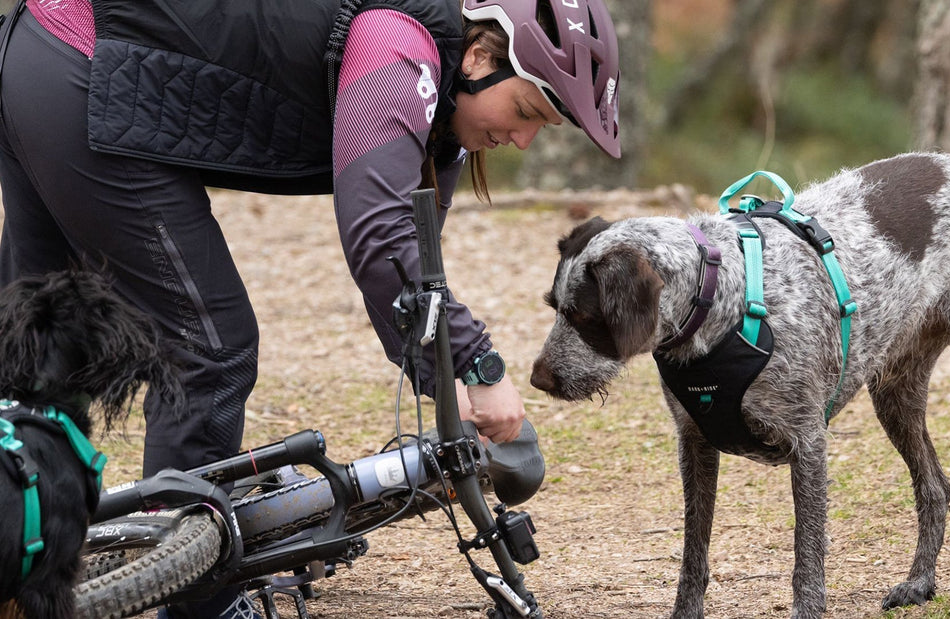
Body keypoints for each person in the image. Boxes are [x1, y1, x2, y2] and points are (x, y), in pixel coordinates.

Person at [0, 0, 620, 616]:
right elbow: (379, 239)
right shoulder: (399, 46)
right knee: (209, 349)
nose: (523, 138)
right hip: (81, 68)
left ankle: (18, 554)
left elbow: (410, 264)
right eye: (525, 111)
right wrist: (479, 366)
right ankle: (198, 603)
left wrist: (444, 377)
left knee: (40, 345)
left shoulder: (442, 103)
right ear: (482, 56)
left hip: (43, 54)